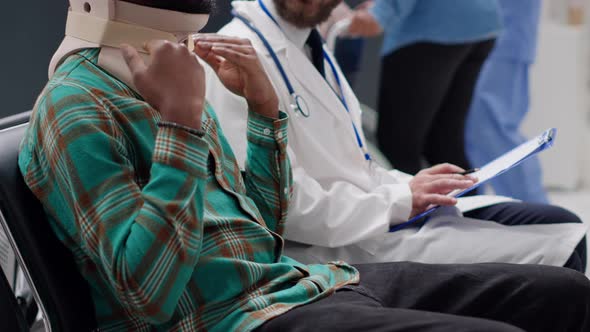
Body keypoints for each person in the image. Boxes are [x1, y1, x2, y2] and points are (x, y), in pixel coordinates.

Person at [20, 1, 590, 331]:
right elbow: (145, 293)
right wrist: (182, 124)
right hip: (235, 319)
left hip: (296, 284)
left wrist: (265, 112)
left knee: (566, 294)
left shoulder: (168, 70)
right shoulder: (76, 105)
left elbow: (265, 230)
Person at [205, 0, 588, 271]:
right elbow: (277, 203)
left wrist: (411, 186)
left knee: (555, 217)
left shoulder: (307, 44)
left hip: (373, 210)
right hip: (338, 240)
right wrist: (400, 199)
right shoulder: (239, 57)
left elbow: (354, 160)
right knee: (564, 248)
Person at [349, 0, 500, 180]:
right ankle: (474, 208)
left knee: (399, 150)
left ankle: (414, 207)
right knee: (444, 144)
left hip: (430, 28)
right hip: (476, 18)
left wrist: (380, 14)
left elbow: (376, 19)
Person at [465, 0, 549, 203]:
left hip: (504, 37)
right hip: (485, 36)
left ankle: (538, 213)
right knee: (472, 134)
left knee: (491, 127)